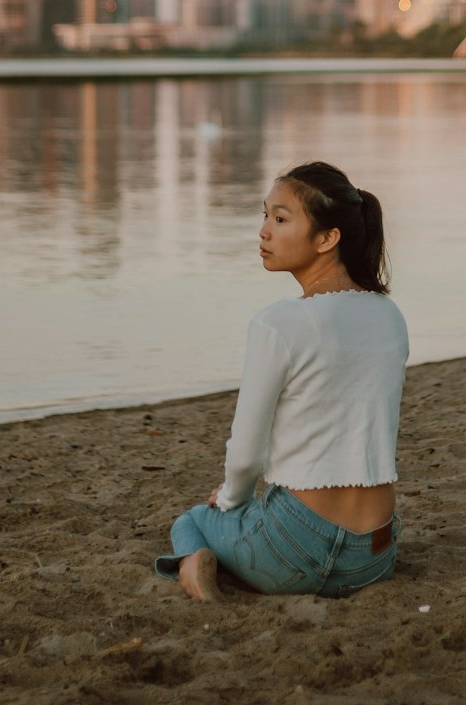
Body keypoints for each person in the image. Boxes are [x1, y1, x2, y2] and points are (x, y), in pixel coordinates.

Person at [154, 160, 409, 601]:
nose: (264, 231)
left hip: (297, 547)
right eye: (265, 215)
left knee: (193, 521)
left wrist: (230, 499)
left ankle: (196, 568)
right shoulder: (389, 316)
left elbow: (246, 455)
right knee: (260, 509)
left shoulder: (281, 322)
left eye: (280, 218)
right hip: (375, 555)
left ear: (328, 239)